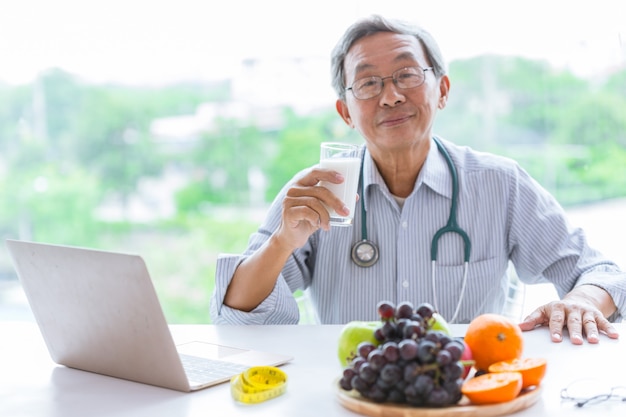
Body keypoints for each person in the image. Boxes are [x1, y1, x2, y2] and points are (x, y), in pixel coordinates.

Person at [210, 14, 625, 344]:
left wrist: (583, 302)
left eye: (407, 74)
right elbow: (236, 316)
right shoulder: (316, 192)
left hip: (468, 395)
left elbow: (601, 272)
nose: (390, 96)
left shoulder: (499, 184)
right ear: (345, 113)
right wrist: (283, 241)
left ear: (442, 90)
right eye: (368, 83)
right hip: (350, 394)